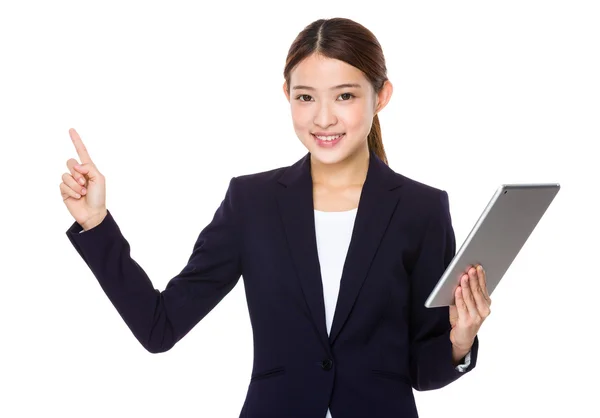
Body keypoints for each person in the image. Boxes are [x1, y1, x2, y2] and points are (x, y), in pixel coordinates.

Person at [61, 17, 491, 418]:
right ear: (287, 95)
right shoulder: (252, 202)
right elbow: (160, 327)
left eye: (345, 95)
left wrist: (460, 340)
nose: (323, 118)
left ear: (381, 96)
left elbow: (421, 370)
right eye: (306, 97)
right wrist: (97, 225)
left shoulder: (421, 208)